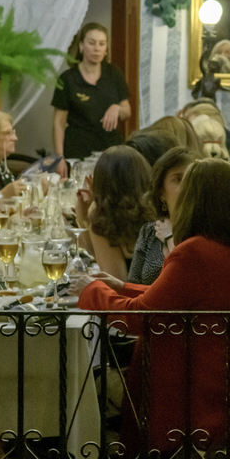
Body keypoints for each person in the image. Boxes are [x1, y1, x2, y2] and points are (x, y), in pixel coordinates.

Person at [77, 159, 230, 459]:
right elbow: (183, 301)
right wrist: (121, 286)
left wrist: (88, 290)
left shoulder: (194, 252)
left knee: (96, 385)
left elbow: (139, 319)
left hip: (198, 394)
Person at [53, 21, 132, 160]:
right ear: (81, 46)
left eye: (102, 44)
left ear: (106, 48)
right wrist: (59, 158)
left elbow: (127, 111)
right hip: (77, 151)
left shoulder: (114, 74)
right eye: (92, 43)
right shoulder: (67, 79)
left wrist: (117, 108)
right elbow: (59, 123)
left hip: (111, 151)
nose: (97, 48)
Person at [82, 145, 154, 282]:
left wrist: (90, 215)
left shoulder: (105, 221)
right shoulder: (158, 209)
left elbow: (116, 284)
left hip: (139, 301)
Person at [128, 148, 197, 285]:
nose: (186, 186)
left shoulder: (205, 231)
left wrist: (170, 237)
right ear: (161, 193)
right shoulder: (149, 232)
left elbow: (188, 282)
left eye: (191, 179)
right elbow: (132, 284)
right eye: (178, 179)